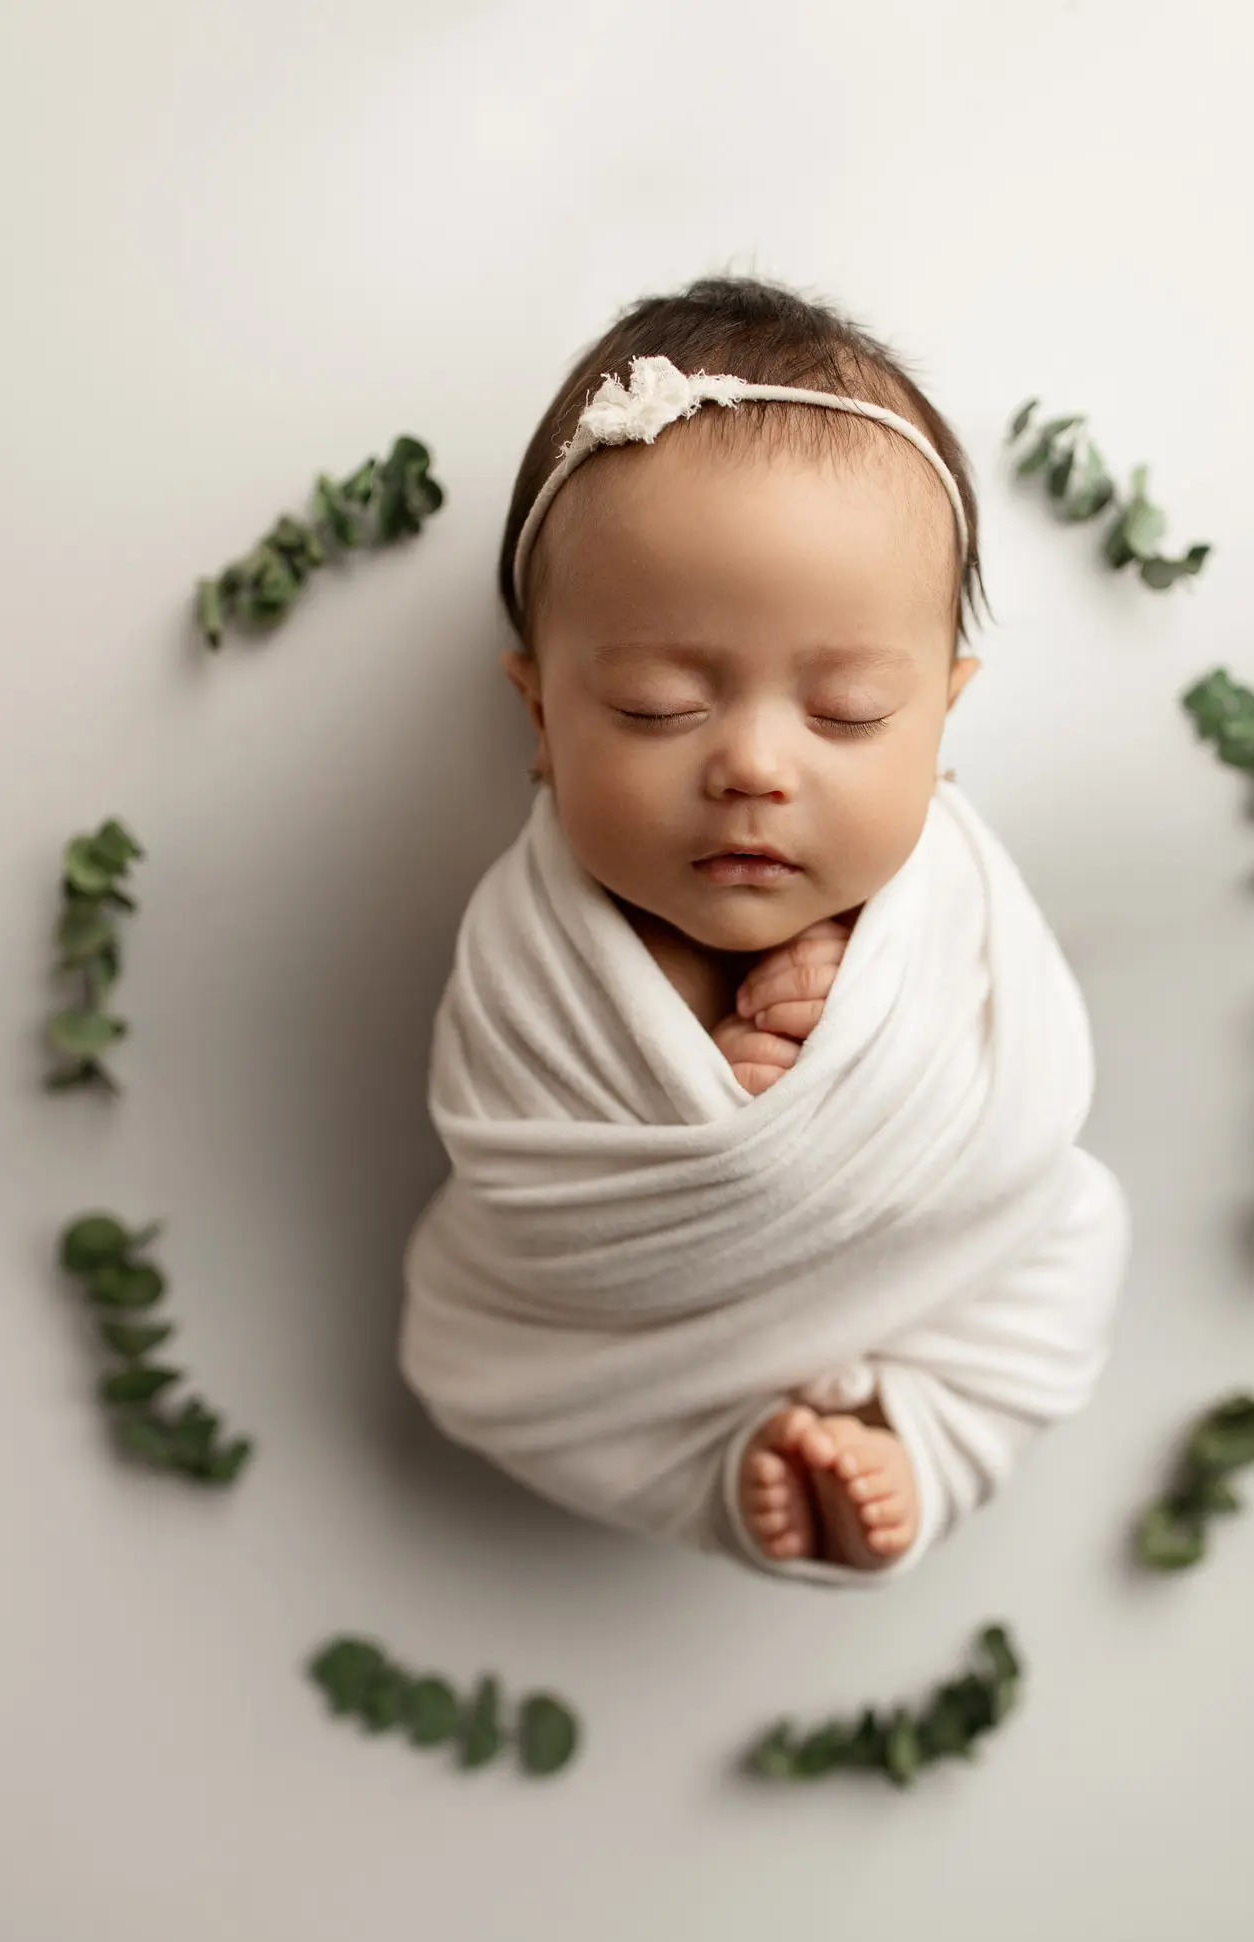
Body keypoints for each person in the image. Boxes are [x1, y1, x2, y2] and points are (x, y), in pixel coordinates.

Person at [399, 274, 1129, 1586]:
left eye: (846, 712)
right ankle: (731, 1465)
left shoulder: (943, 900)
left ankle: (924, 1440)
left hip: (939, 1263)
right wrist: (689, 1066)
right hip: (607, 1348)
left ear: (942, 715)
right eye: (655, 705)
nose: (751, 766)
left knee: (1064, 1239)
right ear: (540, 713)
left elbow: (1019, 1102)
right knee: (483, 1362)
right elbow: (519, 1169)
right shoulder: (529, 958)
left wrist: (859, 1027)